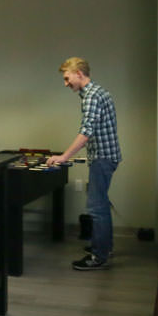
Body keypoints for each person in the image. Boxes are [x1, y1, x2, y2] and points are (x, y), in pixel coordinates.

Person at [46, 57, 121, 271]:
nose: (65, 83)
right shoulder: (97, 92)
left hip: (103, 158)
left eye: (67, 78)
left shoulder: (91, 96)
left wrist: (64, 157)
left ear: (79, 73)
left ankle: (99, 257)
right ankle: (104, 248)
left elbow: (86, 132)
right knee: (101, 205)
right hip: (107, 156)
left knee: (96, 208)